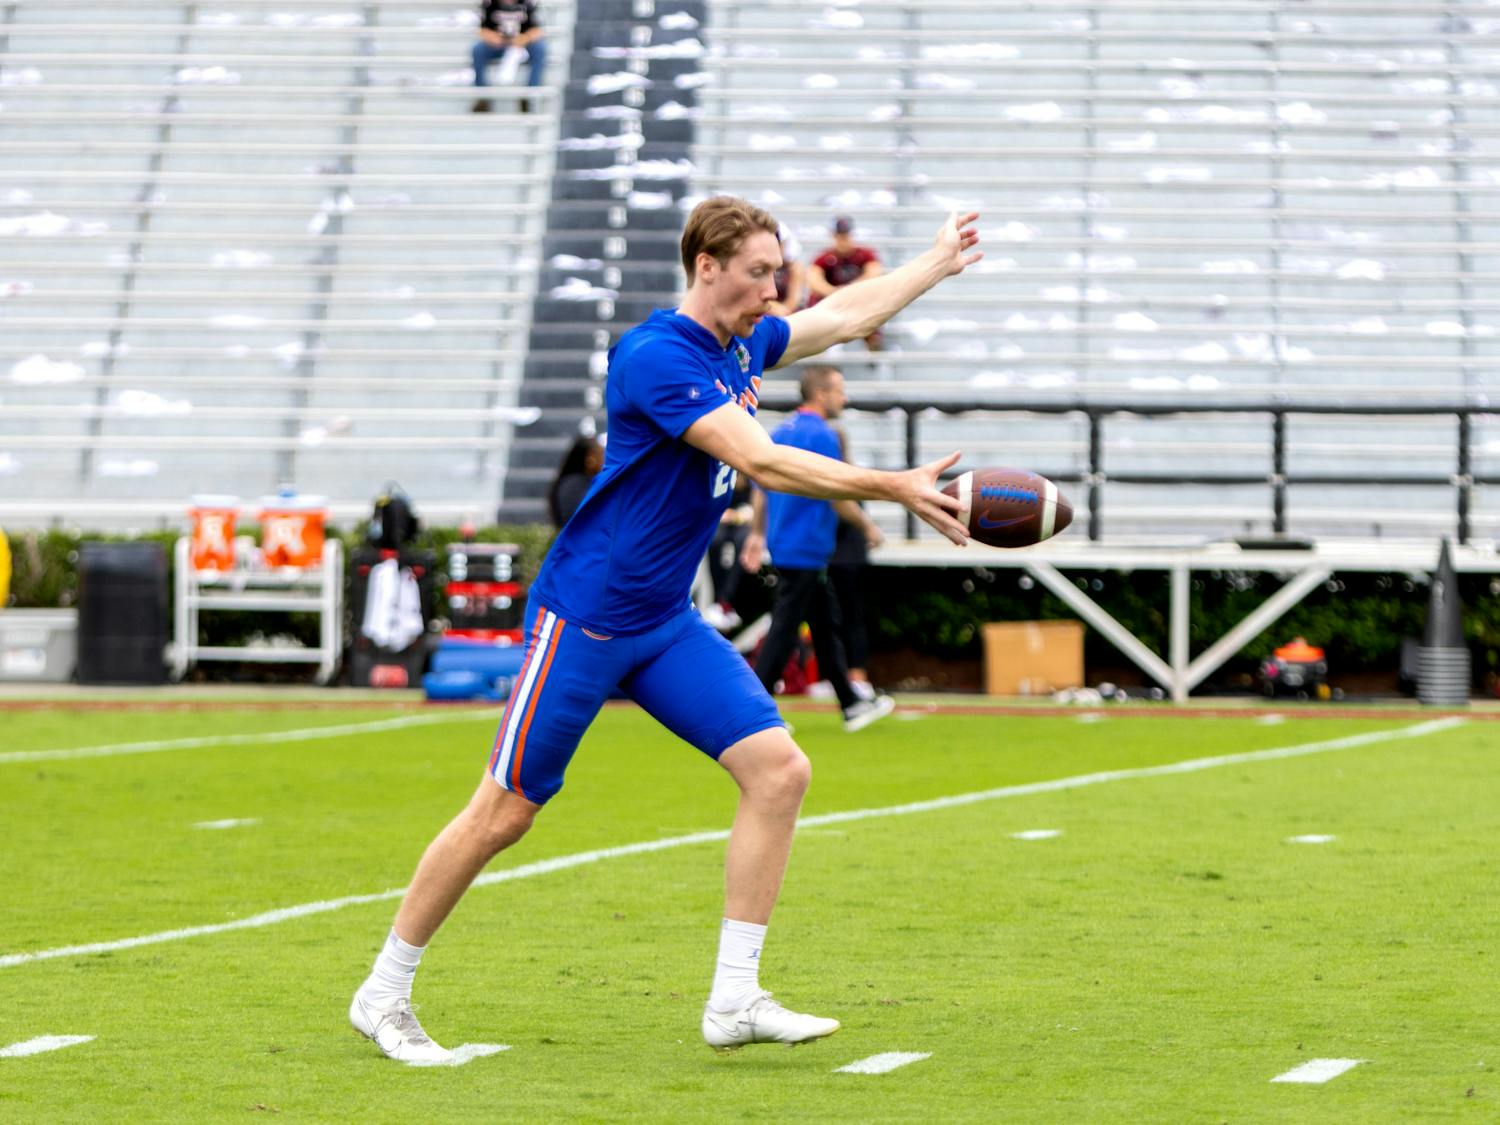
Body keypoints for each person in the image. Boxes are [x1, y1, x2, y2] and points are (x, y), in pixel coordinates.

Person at [349, 196, 981, 1063]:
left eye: (775, 271)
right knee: (503, 813)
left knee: (778, 769)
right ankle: (382, 991)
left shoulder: (740, 342)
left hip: (662, 621)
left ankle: (735, 995)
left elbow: (837, 316)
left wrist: (934, 262)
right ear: (706, 266)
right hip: (587, 619)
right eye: (758, 272)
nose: (773, 289)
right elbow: (757, 456)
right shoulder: (655, 354)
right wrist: (892, 484)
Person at [739, 366, 888, 730]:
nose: (844, 398)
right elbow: (835, 492)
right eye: (839, 390)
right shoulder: (822, 435)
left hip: (788, 542)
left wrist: (758, 534)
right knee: (785, 629)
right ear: (820, 393)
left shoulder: (782, 430)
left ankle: (850, 702)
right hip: (806, 544)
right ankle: (753, 712)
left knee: (823, 623)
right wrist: (866, 524)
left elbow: (761, 485)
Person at [807, 215, 884, 350]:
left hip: (858, 301)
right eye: (839, 236)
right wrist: (835, 293)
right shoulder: (825, 257)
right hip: (832, 303)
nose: (843, 240)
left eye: (846, 236)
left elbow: (874, 273)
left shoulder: (865, 254)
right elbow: (814, 280)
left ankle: (874, 348)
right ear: (833, 236)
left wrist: (848, 291)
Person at [470, 0, 547, 114]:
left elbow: (537, 30)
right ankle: (482, 95)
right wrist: (492, 37)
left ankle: (529, 94)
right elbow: (482, 29)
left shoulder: (528, 3)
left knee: (540, 48)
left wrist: (525, 38)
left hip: (522, 45)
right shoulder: (489, 3)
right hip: (497, 45)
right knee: (478, 49)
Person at [545, 434, 604, 528]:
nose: (605, 458)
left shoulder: (575, 482)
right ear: (590, 459)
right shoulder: (574, 484)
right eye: (601, 454)